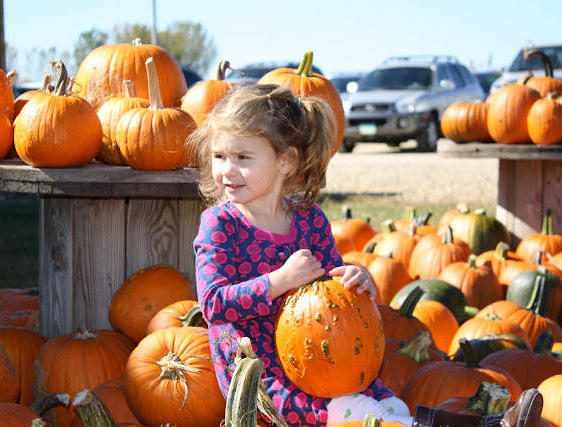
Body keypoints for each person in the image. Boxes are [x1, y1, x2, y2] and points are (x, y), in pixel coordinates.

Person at [189, 82, 543, 427]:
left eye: (242, 158)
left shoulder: (309, 220)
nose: (226, 170)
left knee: (390, 406)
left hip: (327, 362)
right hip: (263, 376)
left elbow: (333, 293)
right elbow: (213, 304)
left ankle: (484, 423)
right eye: (219, 156)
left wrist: (357, 279)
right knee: (357, 410)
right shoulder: (220, 225)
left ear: (285, 160)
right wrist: (279, 281)